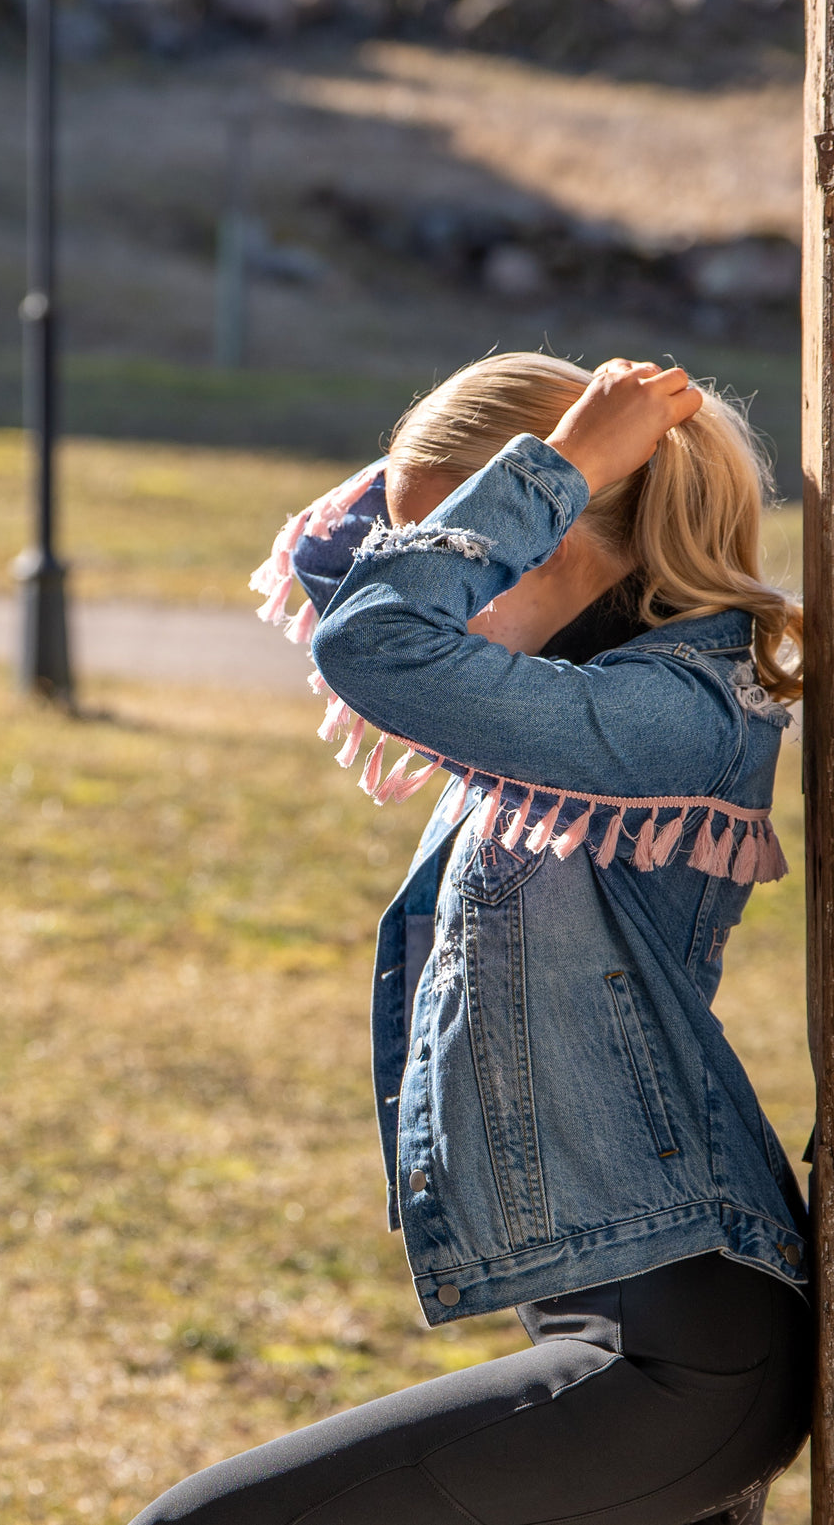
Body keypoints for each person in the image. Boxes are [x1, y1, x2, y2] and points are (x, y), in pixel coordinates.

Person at [133, 354, 811, 1525]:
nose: (449, 574)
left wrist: (557, 464)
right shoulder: (556, 686)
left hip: (682, 1358)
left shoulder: (672, 716)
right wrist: (526, 472)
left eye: (477, 541)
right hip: (602, 1318)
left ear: (555, 526)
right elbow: (352, 586)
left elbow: (377, 641)